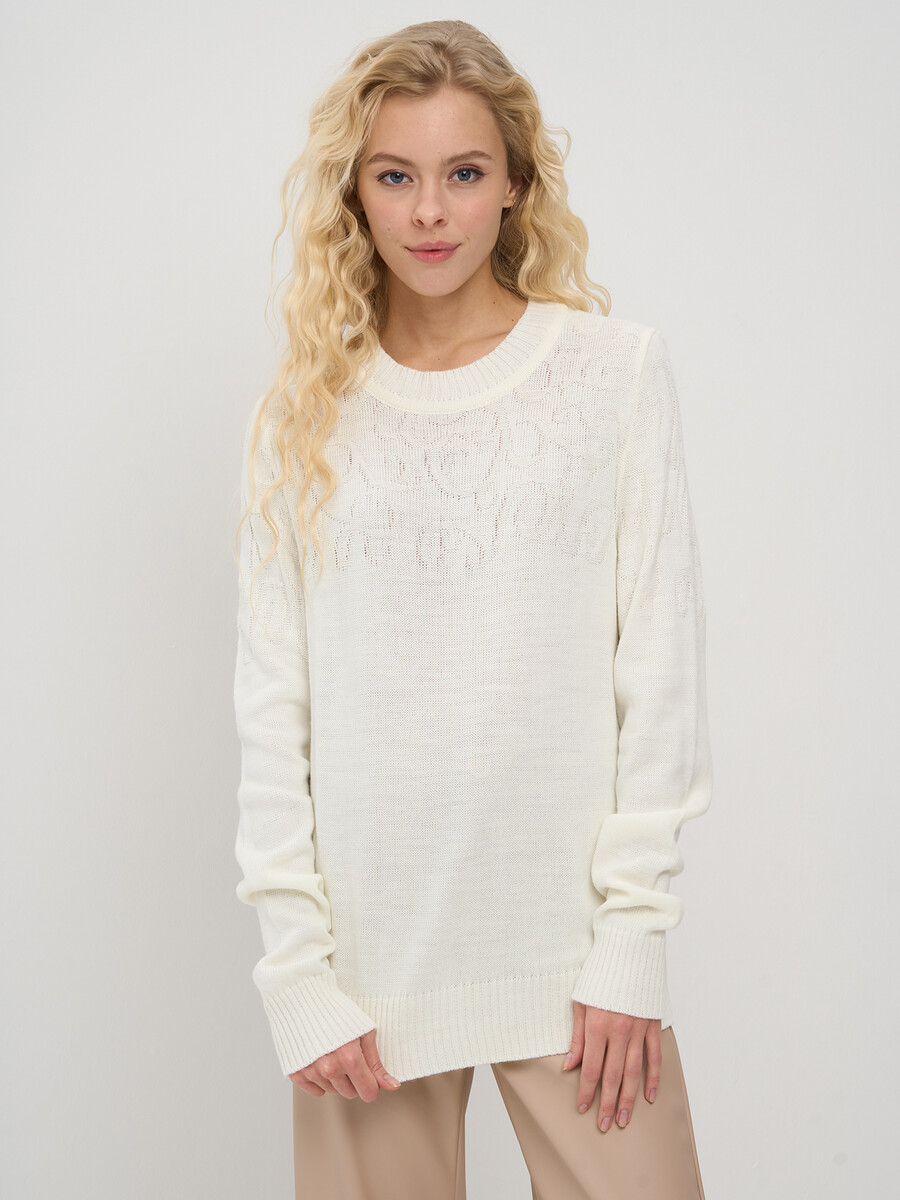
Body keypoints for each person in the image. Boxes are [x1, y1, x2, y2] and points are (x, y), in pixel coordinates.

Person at [232, 18, 712, 1200]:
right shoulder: (301, 418)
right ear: (355, 194)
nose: (431, 212)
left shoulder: (612, 375)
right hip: (364, 980)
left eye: (463, 172)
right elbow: (273, 713)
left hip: (574, 963)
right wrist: (298, 976)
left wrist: (631, 942)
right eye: (395, 177)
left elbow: (659, 674)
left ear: (515, 186)